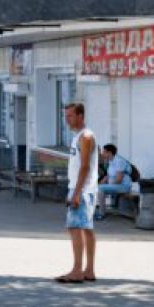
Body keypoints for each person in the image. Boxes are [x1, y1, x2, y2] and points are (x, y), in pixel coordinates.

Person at [56, 102, 98, 283]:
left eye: (70, 116)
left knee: (75, 228)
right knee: (87, 229)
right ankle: (89, 270)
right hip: (84, 188)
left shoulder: (85, 137)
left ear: (81, 116)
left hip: (82, 189)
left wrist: (76, 193)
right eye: (65, 116)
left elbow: (85, 166)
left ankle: (77, 270)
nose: (67, 119)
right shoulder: (79, 136)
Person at [95, 143, 132, 220]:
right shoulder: (111, 161)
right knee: (98, 188)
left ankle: (102, 213)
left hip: (124, 186)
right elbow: (107, 176)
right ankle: (99, 211)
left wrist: (106, 186)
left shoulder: (119, 161)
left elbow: (119, 180)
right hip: (116, 186)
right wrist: (98, 184)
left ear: (110, 153)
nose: (102, 153)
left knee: (101, 189)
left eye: (104, 152)